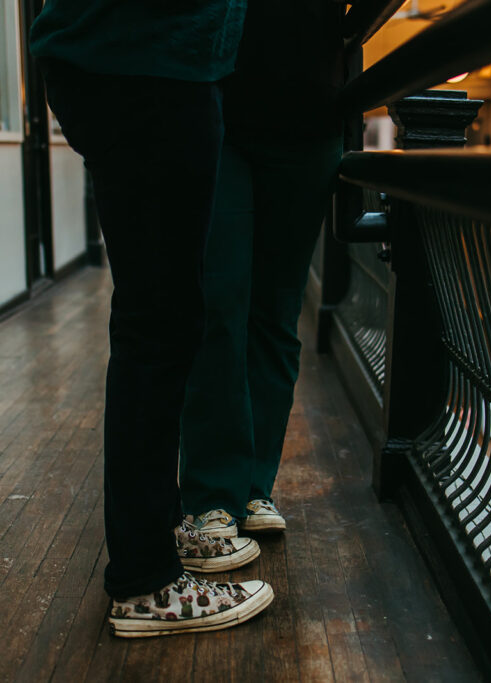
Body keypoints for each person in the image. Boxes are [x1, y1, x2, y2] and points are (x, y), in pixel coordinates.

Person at [29, 1, 273, 637]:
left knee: (159, 317)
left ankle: (157, 540)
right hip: (149, 61)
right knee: (159, 326)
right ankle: (146, 581)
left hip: (137, 56)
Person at [178, 0, 346, 537]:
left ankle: (253, 488)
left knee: (275, 314)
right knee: (219, 303)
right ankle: (211, 494)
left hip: (309, 117)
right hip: (219, 105)